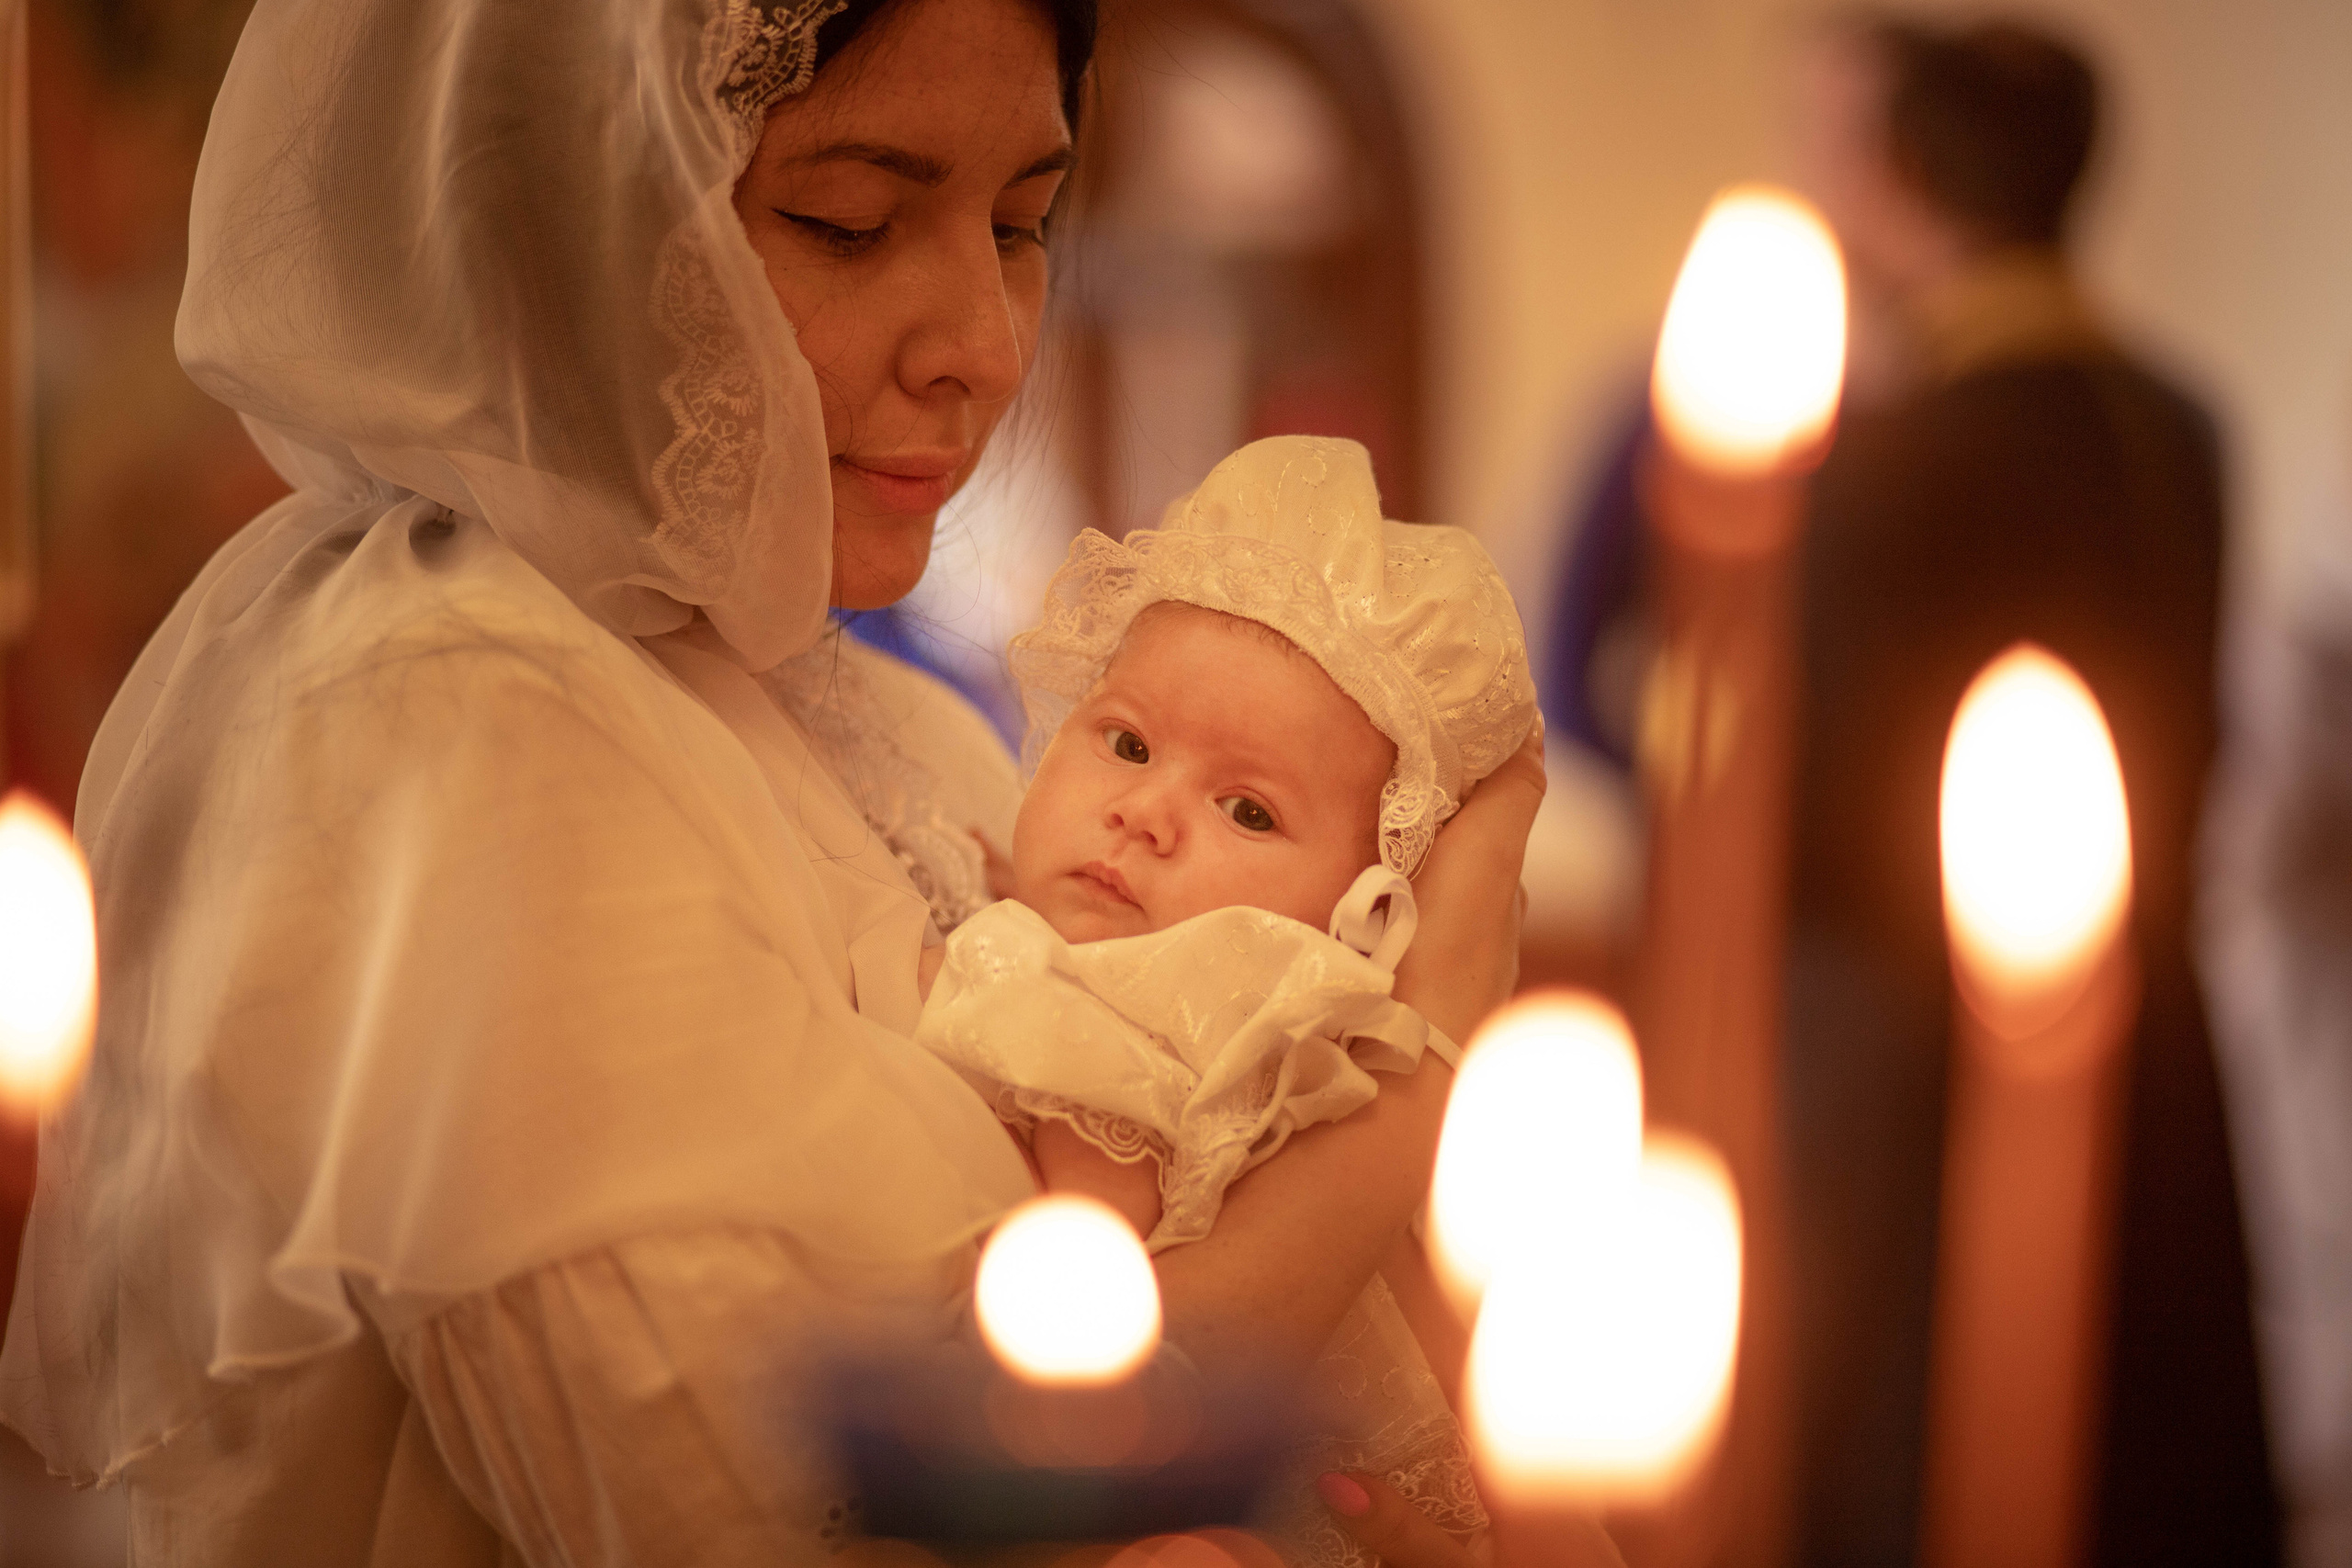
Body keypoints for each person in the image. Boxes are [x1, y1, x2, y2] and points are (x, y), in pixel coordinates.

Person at [0, 1, 1544, 1562]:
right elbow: (838, 1527)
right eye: (851, 222)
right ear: (573, 210)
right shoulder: (453, 717)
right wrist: (1426, 1057)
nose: (987, 349)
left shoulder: (862, 707)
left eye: (1022, 222)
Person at [1545, 14, 2276, 1564]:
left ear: (1899, 182)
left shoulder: (1889, 460)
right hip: (2157, 1047)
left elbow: (1762, 786)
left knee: (1906, 1463)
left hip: (1900, 1065)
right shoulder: (2188, 428)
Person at [916, 433, 1537, 1563]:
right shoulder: (1098, 993)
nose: (1146, 812)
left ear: (1368, 904)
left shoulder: (1216, 1011)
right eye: (1124, 741)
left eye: (1247, 811)